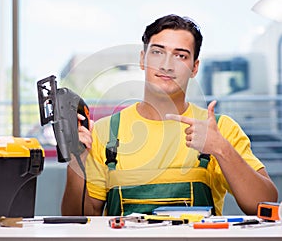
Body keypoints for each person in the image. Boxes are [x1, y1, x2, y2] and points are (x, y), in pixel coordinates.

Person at [61, 14, 278, 216]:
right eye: (157, 52)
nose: (166, 64)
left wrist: (221, 149)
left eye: (180, 55)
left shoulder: (220, 129)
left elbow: (264, 204)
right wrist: (76, 160)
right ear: (142, 59)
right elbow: (79, 219)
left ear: (194, 68)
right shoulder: (104, 131)